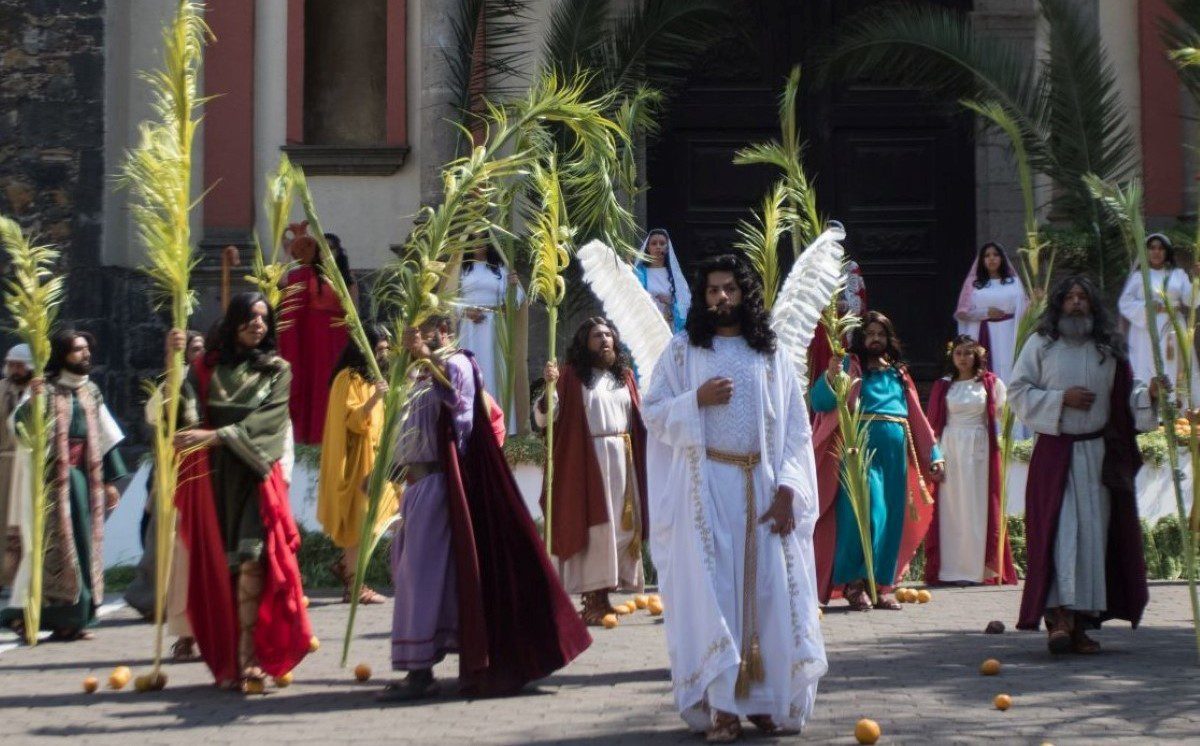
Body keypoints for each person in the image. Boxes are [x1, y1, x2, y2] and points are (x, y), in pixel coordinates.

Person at [643, 255, 826, 739]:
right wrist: (694, 401)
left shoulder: (770, 355)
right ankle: (722, 706)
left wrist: (789, 489)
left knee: (768, 595)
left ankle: (765, 701)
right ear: (702, 299)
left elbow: (795, 431)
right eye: (712, 291)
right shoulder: (684, 353)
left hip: (765, 490)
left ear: (744, 293)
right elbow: (653, 412)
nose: (721, 298)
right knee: (717, 597)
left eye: (729, 289)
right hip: (709, 490)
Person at [382, 315, 590, 702]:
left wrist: (427, 356)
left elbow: (459, 403)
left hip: (440, 488)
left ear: (443, 330)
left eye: (427, 330)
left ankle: (419, 672)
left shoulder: (459, 362)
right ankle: (426, 663)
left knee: (420, 580)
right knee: (415, 576)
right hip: (413, 490)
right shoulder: (412, 373)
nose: (417, 336)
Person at [169, 292, 312, 690]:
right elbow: (185, 416)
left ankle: (249, 659)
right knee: (223, 568)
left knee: (253, 561)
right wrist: (176, 366)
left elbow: (268, 424)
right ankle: (229, 657)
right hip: (213, 480)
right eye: (250, 317)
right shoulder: (205, 369)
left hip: (254, 475)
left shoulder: (278, 371)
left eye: (264, 319)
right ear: (233, 322)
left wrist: (212, 436)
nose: (258, 324)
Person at [1008, 275, 1154, 654]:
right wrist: (1061, 399)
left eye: (1083, 297)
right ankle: (1058, 617)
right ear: (1059, 304)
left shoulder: (1108, 349)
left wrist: (1150, 395)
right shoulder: (1041, 344)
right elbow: (1018, 391)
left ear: (1093, 304)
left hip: (1096, 457)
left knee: (1092, 537)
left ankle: (1081, 623)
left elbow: (1127, 395)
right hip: (1055, 455)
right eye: (1070, 297)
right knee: (1061, 534)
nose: (1076, 303)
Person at [810, 311, 944, 611]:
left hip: (895, 458)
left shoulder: (899, 374)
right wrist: (831, 376)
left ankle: (881, 585)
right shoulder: (848, 366)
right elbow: (819, 402)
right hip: (859, 451)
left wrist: (934, 454)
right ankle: (854, 583)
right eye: (869, 333)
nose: (875, 339)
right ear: (861, 338)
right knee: (865, 515)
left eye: (880, 334)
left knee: (890, 519)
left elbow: (917, 418)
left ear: (888, 339)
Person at [0, 330, 127, 640]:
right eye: (77, 350)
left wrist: (111, 481)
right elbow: (19, 425)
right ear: (62, 354)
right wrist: (35, 400)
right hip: (51, 482)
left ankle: (77, 617)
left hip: (86, 478)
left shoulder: (91, 391)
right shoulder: (46, 389)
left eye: (86, 349)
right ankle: (39, 615)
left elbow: (105, 436)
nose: (85, 355)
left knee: (84, 547)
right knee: (52, 552)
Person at [536, 317, 648, 625]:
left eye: (608, 335)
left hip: (623, 458)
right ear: (584, 343)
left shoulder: (624, 377)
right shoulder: (571, 377)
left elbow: (638, 416)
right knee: (598, 529)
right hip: (589, 459)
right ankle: (593, 600)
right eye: (597, 336)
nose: (604, 340)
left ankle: (606, 596)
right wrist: (548, 388)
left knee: (622, 529)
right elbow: (548, 417)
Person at [123, 329, 206, 660]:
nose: (197, 353)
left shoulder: (214, 379)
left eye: (202, 347)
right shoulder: (175, 383)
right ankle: (166, 613)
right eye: (192, 348)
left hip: (209, 472)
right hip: (176, 473)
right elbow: (160, 417)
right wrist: (172, 367)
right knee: (170, 547)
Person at [923, 336, 1017, 586]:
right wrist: (935, 456)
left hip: (979, 450)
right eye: (958, 353)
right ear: (951, 357)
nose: (963, 358)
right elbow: (932, 424)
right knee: (952, 508)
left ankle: (978, 570)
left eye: (968, 353)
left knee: (977, 507)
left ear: (977, 355)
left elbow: (1005, 414)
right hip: (950, 448)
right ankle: (950, 570)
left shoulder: (990, 383)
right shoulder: (944, 386)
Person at [317, 325, 397, 605]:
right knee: (360, 527)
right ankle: (355, 586)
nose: (384, 354)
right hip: (354, 466)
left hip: (374, 463)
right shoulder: (346, 379)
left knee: (378, 521)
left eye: (386, 349)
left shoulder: (371, 379)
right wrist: (375, 397)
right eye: (379, 349)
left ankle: (345, 566)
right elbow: (352, 421)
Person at [277, 221, 352, 444]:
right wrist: (289, 251)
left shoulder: (345, 278)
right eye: (324, 248)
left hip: (339, 340)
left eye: (332, 248)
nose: (328, 253)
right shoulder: (306, 274)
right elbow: (282, 284)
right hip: (315, 342)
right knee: (318, 385)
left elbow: (352, 313)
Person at [1117, 233, 1200, 407]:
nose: (1156, 252)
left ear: (1167, 252)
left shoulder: (1178, 274)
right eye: (1152, 248)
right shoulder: (1139, 277)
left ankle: (1179, 410)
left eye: (1161, 248)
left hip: (1174, 328)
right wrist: (1147, 308)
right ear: (1146, 252)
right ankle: (1150, 409)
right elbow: (1125, 303)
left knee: (1177, 366)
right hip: (1146, 330)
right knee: (1149, 365)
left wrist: (1196, 280)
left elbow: (1191, 300)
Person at [456, 244, 524, 409]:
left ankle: (496, 414)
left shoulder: (500, 269)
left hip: (494, 327)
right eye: (473, 240)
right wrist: (466, 311)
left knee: (494, 370)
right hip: (469, 328)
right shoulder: (462, 269)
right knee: (470, 369)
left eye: (482, 240)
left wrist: (513, 286)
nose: (477, 245)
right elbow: (452, 299)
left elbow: (517, 299)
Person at [954, 242, 1028, 385]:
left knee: (1009, 365)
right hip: (983, 332)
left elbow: (1024, 309)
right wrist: (985, 313)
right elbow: (962, 313)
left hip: (1010, 333)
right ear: (982, 260)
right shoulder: (974, 284)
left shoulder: (1014, 282)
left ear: (1002, 258)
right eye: (987, 256)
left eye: (995, 255)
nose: (992, 259)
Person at [806, 251, 866, 389]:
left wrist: (841, 306)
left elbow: (859, 302)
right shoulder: (812, 266)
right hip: (819, 332)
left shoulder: (850, 268)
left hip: (844, 330)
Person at [0, 344, 33, 594]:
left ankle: (24, 578)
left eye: (19, 365)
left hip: (29, 467)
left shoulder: (40, 392)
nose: (14, 369)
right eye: (11, 364)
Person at [634, 228, 691, 332]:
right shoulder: (638, 274)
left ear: (667, 247)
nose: (658, 247)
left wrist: (671, 303)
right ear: (648, 247)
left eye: (662, 243)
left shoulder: (675, 275)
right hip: (646, 327)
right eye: (654, 243)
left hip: (669, 326)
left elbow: (685, 304)